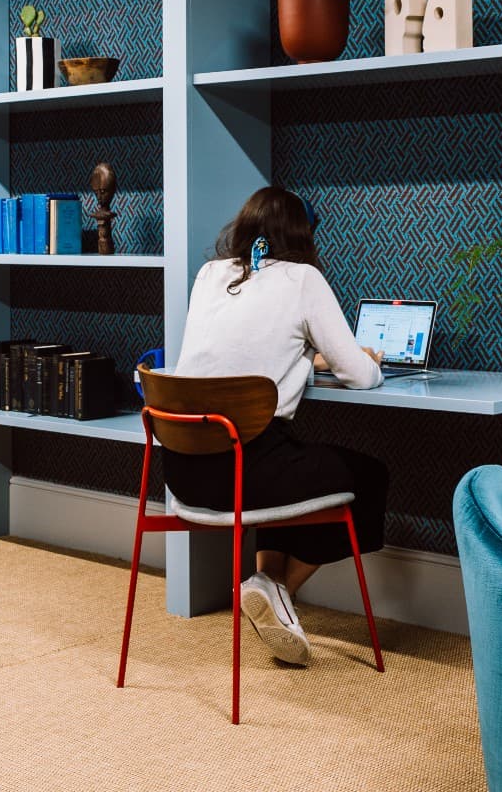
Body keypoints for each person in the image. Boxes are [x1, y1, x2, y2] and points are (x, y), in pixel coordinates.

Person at [167, 185, 387, 666]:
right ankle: (276, 587)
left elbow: (238, 350)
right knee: (369, 476)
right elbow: (360, 376)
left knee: (290, 459)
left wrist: (306, 359)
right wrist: (366, 359)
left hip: (183, 472)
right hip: (246, 474)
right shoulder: (303, 279)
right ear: (302, 235)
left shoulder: (210, 274)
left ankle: (268, 589)